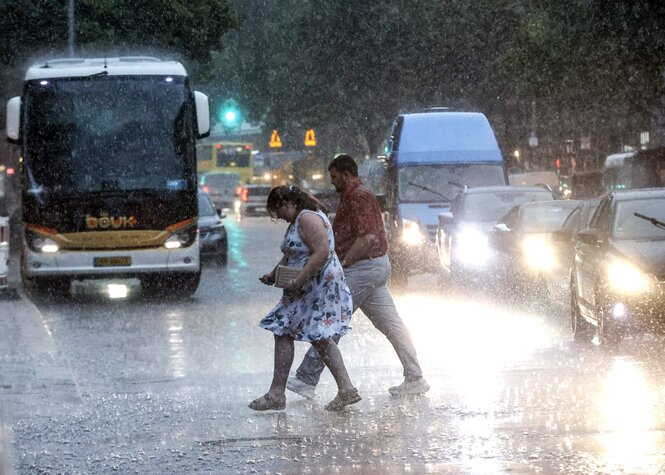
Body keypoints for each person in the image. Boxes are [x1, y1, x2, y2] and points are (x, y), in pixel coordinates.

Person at [287, 154, 430, 398]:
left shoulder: (359, 196)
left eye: (334, 177)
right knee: (391, 325)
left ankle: (307, 378)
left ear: (346, 174)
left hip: (364, 267)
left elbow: (367, 238)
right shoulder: (353, 196)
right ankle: (415, 376)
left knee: (331, 319)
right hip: (373, 267)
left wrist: (343, 264)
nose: (332, 182)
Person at [249, 185, 361, 411]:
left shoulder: (307, 218)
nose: (278, 217)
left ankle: (277, 394)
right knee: (312, 336)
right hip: (305, 287)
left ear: (287, 203)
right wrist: (274, 274)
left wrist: (298, 280)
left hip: (316, 286)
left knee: (292, 332)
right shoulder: (298, 219)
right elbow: (293, 253)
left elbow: (322, 252)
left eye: (277, 211)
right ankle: (345, 389)